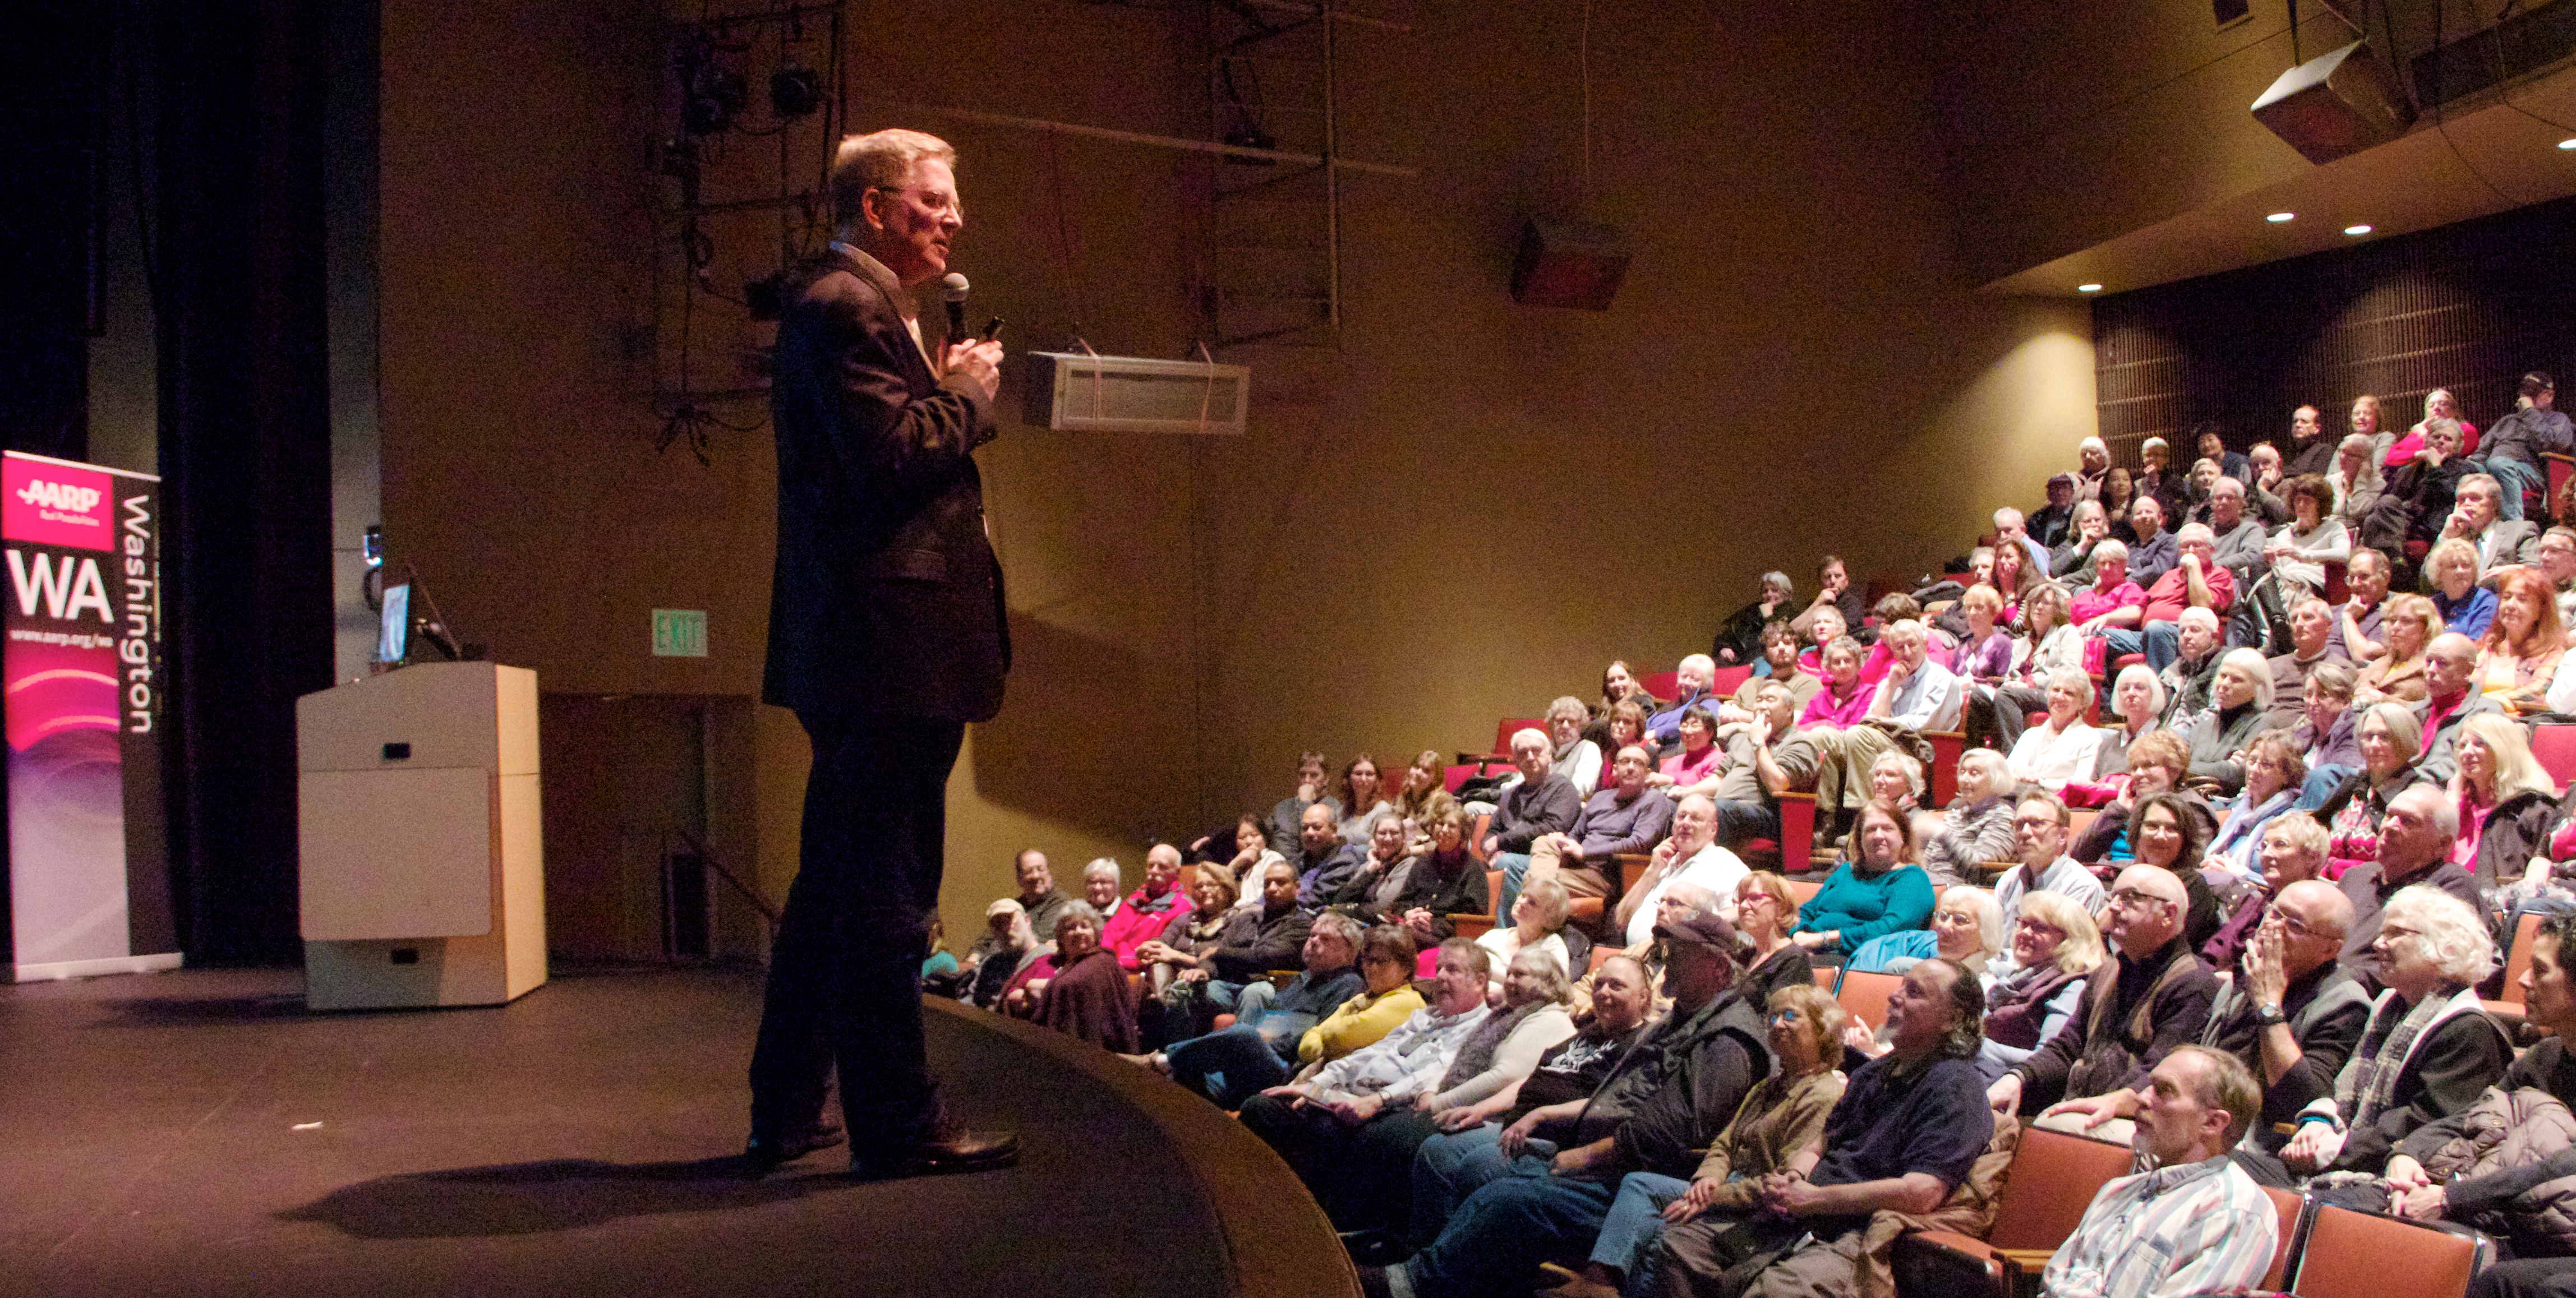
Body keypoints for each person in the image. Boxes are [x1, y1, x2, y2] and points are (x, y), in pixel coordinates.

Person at [749, 127, 1015, 1177]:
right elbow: (891, 460)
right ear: (873, 207)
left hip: (869, 651)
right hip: (884, 652)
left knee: (835, 886)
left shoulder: (851, 307)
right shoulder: (845, 307)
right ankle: (898, 1124)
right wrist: (971, 395)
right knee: (886, 898)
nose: (952, 219)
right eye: (933, 201)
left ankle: (786, 1105)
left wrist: (941, 382)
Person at [1372, 912, 1773, 1298]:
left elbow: (1666, 1134)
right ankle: (1443, 1280)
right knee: (1479, 1169)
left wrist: (1585, 1155)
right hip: (1601, 1159)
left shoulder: (1727, 1040)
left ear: (1719, 970)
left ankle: (1412, 1284)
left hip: (1633, 1179)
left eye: (1683, 956)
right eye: (1670, 952)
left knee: (1506, 1199)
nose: (1669, 963)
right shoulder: (1685, 1018)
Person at [1649, 959, 1997, 1298]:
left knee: (1776, 1291)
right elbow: (1823, 1141)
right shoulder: (1874, 1072)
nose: (1895, 996)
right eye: (1902, 985)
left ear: (1952, 1019)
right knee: (1679, 1248)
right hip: (1804, 1215)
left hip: (1860, 1233)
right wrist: (1795, 1179)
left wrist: (1816, 1199)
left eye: (1916, 992)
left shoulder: (1956, 1086)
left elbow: (1922, 1192)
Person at [1243, 942, 1574, 1239]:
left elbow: (1484, 1074)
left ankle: (1326, 1229)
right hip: (1363, 1092)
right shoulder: (1434, 1017)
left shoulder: (1513, 1020)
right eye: (1439, 968)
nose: (1441, 977)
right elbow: (1372, 1054)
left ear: (1480, 982)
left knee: (1344, 1130)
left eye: (1453, 970)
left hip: (1400, 1101)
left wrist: (1416, 1099)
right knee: (1262, 1108)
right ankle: (1259, 1209)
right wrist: (1318, 1083)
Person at [1546, 985, 1850, 1298]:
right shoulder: (1769, 1086)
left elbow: (1780, 1183)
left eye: (1790, 1016)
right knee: (1638, 1184)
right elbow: (1724, 1144)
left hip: (1758, 1208)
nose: (1777, 1024)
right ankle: (1600, 1282)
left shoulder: (1822, 1094)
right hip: (1722, 1186)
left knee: (1666, 1232)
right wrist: (1707, 1178)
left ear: (1823, 1029)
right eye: (1773, 1017)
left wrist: (1711, 1197)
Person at [2266, 885, 2507, 1184]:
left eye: (2395, 933)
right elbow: (2336, 1085)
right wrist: (2320, 1120)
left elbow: (2425, 1125)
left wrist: (2331, 1149)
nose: (2378, 944)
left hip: (2397, 1180)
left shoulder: (2469, 1031)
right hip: (2343, 1156)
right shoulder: (2389, 1007)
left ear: (2445, 946)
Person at [2382, 915, 2576, 1262]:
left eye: (2540, 970)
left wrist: (2453, 1197)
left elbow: (2564, 1165)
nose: (2522, 978)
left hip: (2555, 1235)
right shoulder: (2544, 1057)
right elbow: (2469, 1116)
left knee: (2496, 1278)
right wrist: (2407, 1154)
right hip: (2512, 1211)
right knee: (2368, 1209)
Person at [2034, 1047, 2279, 1298]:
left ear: (2212, 1123)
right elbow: (2054, 1277)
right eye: (2148, 1085)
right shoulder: (2119, 1189)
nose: (2141, 1098)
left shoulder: (2235, 1211)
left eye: (2164, 1090)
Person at [1988, 865, 2218, 1119]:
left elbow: (2160, 1072)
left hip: (2138, 1117)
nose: (2115, 907)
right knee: (1987, 1104)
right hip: (2078, 1103)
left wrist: (2110, 1103)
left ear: (2168, 914)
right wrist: (2018, 1078)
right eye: (2115, 897)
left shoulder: (2192, 982)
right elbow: (2066, 1048)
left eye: (2130, 899)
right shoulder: (2107, 972)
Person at [1144, 914, 1381, 1107]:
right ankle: (1172, 1078)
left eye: (1325, 939)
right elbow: (1274, 1019)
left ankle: (1159, 1060)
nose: (1313, 941)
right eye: (1312, 935)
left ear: (1349, 951)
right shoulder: (1303, 978)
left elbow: (1320, 1037)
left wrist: (1263, 1042)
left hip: (1285, 1069)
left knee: (1245, 1035)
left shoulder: (1349, 984)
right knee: (1188, 1081)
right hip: (1256, 1057)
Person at [2337, 783, 2489, 989]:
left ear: (2442, 845)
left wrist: (2334, 982)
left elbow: (2427, 971)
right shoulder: (2355, 877)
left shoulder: (2448, 886)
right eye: (2389, 816)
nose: (2389, 827)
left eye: (2408, 821)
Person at [1522, 745, 1676, 911]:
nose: (1631, 767)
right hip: (1578, 866)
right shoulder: (1600, 798)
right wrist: (1564, 841)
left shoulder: (1654, 800)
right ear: (1615, 770)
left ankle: (1535, 914)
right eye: (1625, 762)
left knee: (1531, 880)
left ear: (1647, 773)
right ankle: (1541, 910)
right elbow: (1576, 834)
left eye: (1638, 763)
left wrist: (1584, 853)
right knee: (1544, 841)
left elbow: (1640, 843)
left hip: (1607, 875)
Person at [1789, 800, 1937, 964]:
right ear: (1859, 839)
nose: (1879, 836)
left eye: (1887, 828)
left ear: (1904, 837)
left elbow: (1891, 928)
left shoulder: (1912, 878)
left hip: (1856, 958)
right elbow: (1809, 909)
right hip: (1807, 948)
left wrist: (1824, 939)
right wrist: (1799, 934)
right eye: (1871, 829)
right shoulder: (1846, 871)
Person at [1979, 891, 2107, 1077]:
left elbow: (2047, 1059)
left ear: (2069, 939)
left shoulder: (2072, 987)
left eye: (2039, 928)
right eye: (2023, 924)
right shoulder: (2016, 975)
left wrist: (1977, 1048)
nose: (2024, 933)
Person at [2315, 701, 2432, 885]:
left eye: (2385, 737)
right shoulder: (2354, 786)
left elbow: (2406, 864)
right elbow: (2317, 828)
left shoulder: (2416, 795)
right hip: (2325, 884)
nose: (2374, 745)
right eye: (2368, 737)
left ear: (2404, 740)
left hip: (2374, 892)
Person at [1612, 796, 1749, 949]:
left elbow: (1743, 911)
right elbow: (1621, 919)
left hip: (1682, 960)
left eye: (1696, 818)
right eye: (1682, 816)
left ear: (1713, 829)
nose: (1685, 823)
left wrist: (1688, 926)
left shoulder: (1723, 861)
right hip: (1638, 955)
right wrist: (1652, 870)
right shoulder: (1664, 863)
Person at [2450, 713, 2559, 898]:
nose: (2467, 752)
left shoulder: (2534, 809)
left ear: (2504, 750)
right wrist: (2451, 798)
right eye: (2463, 745)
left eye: (2479, 744)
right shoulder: (2454, 805)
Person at [1704, 682, 1821, 851]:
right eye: (1759, 700)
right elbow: (1718, 778)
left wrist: (1759, 742)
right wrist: (1684, 793)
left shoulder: (1800, 743)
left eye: (1770, 700)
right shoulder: (1742, 739)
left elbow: (1777, 784)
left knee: (1717, 810)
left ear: (1789, 710)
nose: (1763, 705)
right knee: (1684, 806)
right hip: (1727, 807)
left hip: (1770, 814)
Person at [1976, 581, 2084, 755]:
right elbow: (2010, 675)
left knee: (2005, 695)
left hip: (2051, 692)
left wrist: (2031, 683)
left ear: (2057, 609)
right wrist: (2013, 683)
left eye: (2046, 603)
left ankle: (2012, 758)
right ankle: (1976, 755)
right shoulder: (2021, 643)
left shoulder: (2067, 633)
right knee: (1978, 696)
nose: (2039, 607)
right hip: (2019, 693)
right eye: (2035, 602)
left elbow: (2070, 672)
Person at [1486, 728, 1583, 917]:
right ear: (1515, 761)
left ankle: (1511, 933)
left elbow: (1553, 827)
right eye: (1523, 753)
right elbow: (1492, 831)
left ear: (1549, 756)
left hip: (1546, 861)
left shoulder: (1562, 788)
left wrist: (1502, 842)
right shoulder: (1510, 795)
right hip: (1510, 856)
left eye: (1536, 751)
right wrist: (1492, 849)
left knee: (1508, 863)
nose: (1530, 757)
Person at [1030, 903, 1140, 1051]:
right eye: (1071, 927)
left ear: (1095, 933)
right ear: (1061, 938)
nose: (1078, 932)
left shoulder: (1102, 962)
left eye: (1084, 926)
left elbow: (1073, 984)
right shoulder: (1067, 964)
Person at [1993, 791, 2108, 929]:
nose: (2025, 832)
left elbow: (2067, 949)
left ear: (2063, 836)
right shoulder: (2008, 880)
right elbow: (1993, 942)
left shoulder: (2083, 887)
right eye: (2019, 824)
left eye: (2037, 823)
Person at [1847, 885, 2003, 980]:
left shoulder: (1986, 990)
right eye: (1943, 917)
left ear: (1986, 935)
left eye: (1960, 920)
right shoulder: (1913, 975)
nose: (1944, 927)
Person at [2413, 630, 2506, 785]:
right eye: (2429, 662)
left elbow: (2458, 769)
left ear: (2467, 671)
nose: (2431, 670)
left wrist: (2402, 781)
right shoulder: (2413, 712)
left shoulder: (2485, 713)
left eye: (2442, 663)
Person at [1915, 749, 2018, 887]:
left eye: (1974, 773)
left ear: (1996, 778)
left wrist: (1943, 834)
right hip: (1931, 883)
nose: (1964, 779)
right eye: (1962, 772)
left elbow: (1980, 869)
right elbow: (1928, 863)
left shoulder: (2003, 816)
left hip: (1963, 891)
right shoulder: (1955, 816)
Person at [2475, 371, 2570, 520]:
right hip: (2494, 466)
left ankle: (2514, 525)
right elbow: (2481, 451)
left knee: (2499, 464)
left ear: (2549, 396)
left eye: (2531, 394)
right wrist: (2471, 467)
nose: (2524, 398)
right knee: (2466, 471)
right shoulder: (2508, 421)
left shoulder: (2557, 420)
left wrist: (2530, 412)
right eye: (2523, 393)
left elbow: (2548, 444)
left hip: (2532, 471)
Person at [2476, 567, 2566, 715]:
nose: (2511, 605)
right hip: (2472, 720)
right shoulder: (2487, 644)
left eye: (2522, 599)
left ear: (2540, 610)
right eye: (2507, 597)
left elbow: (2535, 692)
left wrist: (2484, 704)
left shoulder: (2552, 653)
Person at [2004, 666, 2106, 793]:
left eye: (2069, 693)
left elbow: (2082, 784)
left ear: (2083, 702)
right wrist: (2018, 769)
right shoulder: (2030, 734)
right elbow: (2006, 771)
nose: (2059, 696)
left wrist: (2039, 781)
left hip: (2054, 804)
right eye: (2056, 690)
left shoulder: (2090, 738)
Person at [1730, 872, 1818, 1012]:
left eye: (1754, 898)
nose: (1744, 906)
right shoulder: (1744, 956)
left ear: (1781, 906)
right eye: (1741, 900)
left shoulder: (1794, 959)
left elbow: (1776, 1018)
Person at [1480, 876, 1580, 995]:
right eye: (1523, 895)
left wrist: (1503, 995)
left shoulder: (1552, 948)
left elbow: (1556, 991)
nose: (1522, 902)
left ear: (1549, 917)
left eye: (1532, 903)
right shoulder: (1493, 936)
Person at [1102, 845, 1196, 972]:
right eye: (1151, 866)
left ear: (1177, 872)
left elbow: (1156, 950)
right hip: (1111, 966)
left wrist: (1121, 961)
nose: (1154, 871)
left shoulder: (1184, 907)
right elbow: (1109, 936)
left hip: (1143, 971)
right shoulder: (1132, 902)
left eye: (1162, 867)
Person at [971, 850, 1068, 968]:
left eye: (1040, 869)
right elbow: (987, 938)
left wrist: (985, 960)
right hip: (994, 964)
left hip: (1026, 966)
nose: (1036, 876)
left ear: (1049, 873)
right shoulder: (1015, 905)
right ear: (1019, 878)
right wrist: (974, 957)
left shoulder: (1061, 903)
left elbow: (1034, 940)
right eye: (1029, 871)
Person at [2266, 596, 2349, 731]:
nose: (2299, 624)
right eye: (2294, 619)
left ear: (2328, 626)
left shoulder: (2340, 668)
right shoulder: (2270, 666)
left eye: (2308, 617)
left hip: (2304, 738)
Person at [2441, 472, 2543, 578]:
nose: (2466, 503)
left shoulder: (2520, 531)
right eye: (2461, 499)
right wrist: (2446, 537)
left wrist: (2510, 573)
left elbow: (2535, 571)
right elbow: (2427, 582)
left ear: (2494, 503)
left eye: (2475, 498)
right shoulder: (2454, 539)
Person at [2291, 663, 2363, 805]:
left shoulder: (2353, 730)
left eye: (2323, 695)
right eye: (2309, 694)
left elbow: (2336, 778)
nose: (2312, 702)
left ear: (2345, 700)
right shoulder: (2302, 734)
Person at [2353, 590, 2436, 704]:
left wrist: (2384, 700)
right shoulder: (2378, 663)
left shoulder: (2432, 668)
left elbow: (2430, 712)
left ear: (2426, 628)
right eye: (2393, 621)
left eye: (2406, 621)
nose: (2396, 627)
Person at [1713, 571, 1798, 668]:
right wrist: (1724, 648)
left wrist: (1769, 618)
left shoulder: (1794, 616)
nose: (1769, 594)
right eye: (1765, 591)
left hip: (1772, 662)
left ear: (1785, 593)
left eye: (1774, 590)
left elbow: (1773, 640)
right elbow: (1728, 633)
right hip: (1743, 660)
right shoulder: (1752, 611)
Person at [2326, 543, 2391, 662]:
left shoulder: (2395, 612)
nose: (2356, 584)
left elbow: (2364, 658)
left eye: (2364, 576)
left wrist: (2348, 618)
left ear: (2385, 578)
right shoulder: (2332, 612)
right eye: (2351, 578)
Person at [1270, 751, 1343, 854]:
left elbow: (1310, 846)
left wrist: (1305, 803)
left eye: (1314, 775)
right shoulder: (1282, 807)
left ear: (1326, 779)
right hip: (1280, 866)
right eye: (1302, 775)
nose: (1307, 780)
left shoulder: (1336, 809)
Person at [2430, 538, 2500, 638]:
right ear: (2439, 573)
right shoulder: (2432, 605)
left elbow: (2477, 644)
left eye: (2466, 566)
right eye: (2453, 566)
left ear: (2474, 571)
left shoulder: (2485, 602)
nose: (2460, 571)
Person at [1789, 555, 1867, 644]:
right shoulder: (1815, 603)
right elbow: (1791, 631)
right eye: (1827, 577)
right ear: (1820, 582)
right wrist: (1818, 602)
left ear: (1846, 581)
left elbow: (1840, 633)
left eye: (1838, 576)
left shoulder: (1852, 603)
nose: (1833, 581)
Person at [1646, 657, 1721, 747]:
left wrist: (1656, 733)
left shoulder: (1710, 705)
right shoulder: (1670, 706)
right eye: (1684, 676)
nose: (1686, 682)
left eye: (1695, 679)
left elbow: (1697, 725)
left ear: (1707, 683)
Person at [1543, 700, 1606, 801]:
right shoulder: (1543, 748)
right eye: (1560, 721)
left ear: (1581, 725)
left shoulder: (1589, 749)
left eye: (1571, 721)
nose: (1565, 726)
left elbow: (1579, 789)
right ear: (1551, 724)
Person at [2328, 432, 2386, 528]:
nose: (2342, 457)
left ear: (2366, 460)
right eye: (2342, 451)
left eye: (2350, 455)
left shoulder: (2378, 485)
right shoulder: (2330, 482)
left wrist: (2360, 482)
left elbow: (2359, 512)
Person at [1339, 754, 1395, 844]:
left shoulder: (1383, 810)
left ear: (1377, 780)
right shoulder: (1342, 811)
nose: (1364, 779)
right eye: (1358, 774)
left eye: (1369, 774)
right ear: (1349, 778)